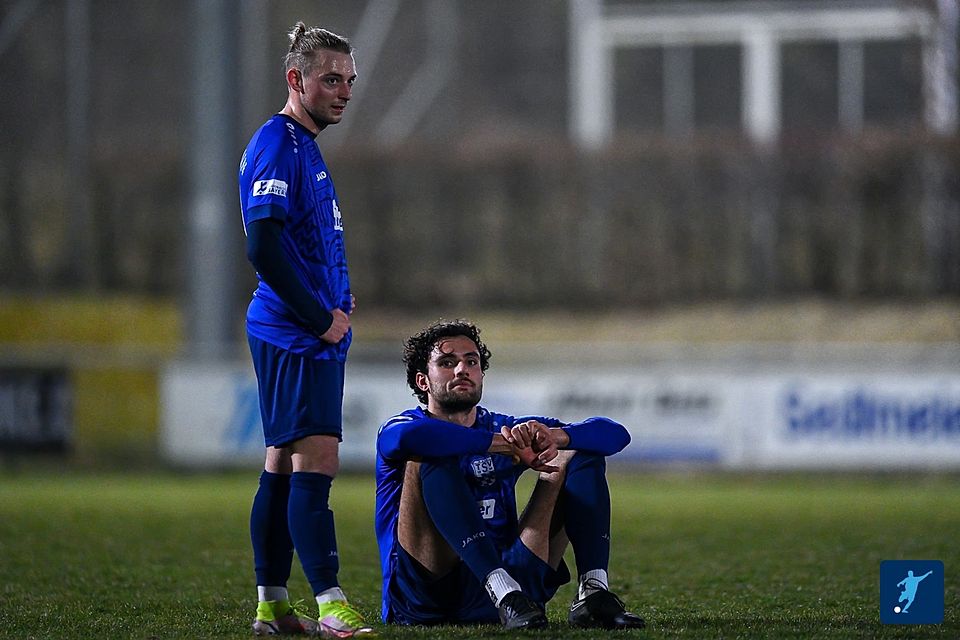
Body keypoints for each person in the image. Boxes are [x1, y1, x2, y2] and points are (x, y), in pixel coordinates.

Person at [374, 319, 646, 630]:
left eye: (471, 361)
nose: (462, 370)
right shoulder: (403, 427)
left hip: (517, 592)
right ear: (423, 381)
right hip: (429, 593)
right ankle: (499, 588)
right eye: (447, 362)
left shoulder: (505, 426)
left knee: (577, 451)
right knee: (426, 457)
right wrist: (499, 445)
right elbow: (407, 440)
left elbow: (615, 435)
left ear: (480, 374)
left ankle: (593, 591)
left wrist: (556, 437)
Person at [238, 22, 373, 638]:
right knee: (316, 457)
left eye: (348, 79)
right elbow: (263, 244)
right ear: (296, 80)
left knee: (282, 464)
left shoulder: (303, 145)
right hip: (296, 333)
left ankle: (271, 605)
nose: (344, 90)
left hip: (303, 332)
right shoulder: (277, 142)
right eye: (330, 79)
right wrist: (321, 318)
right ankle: (330, 604)